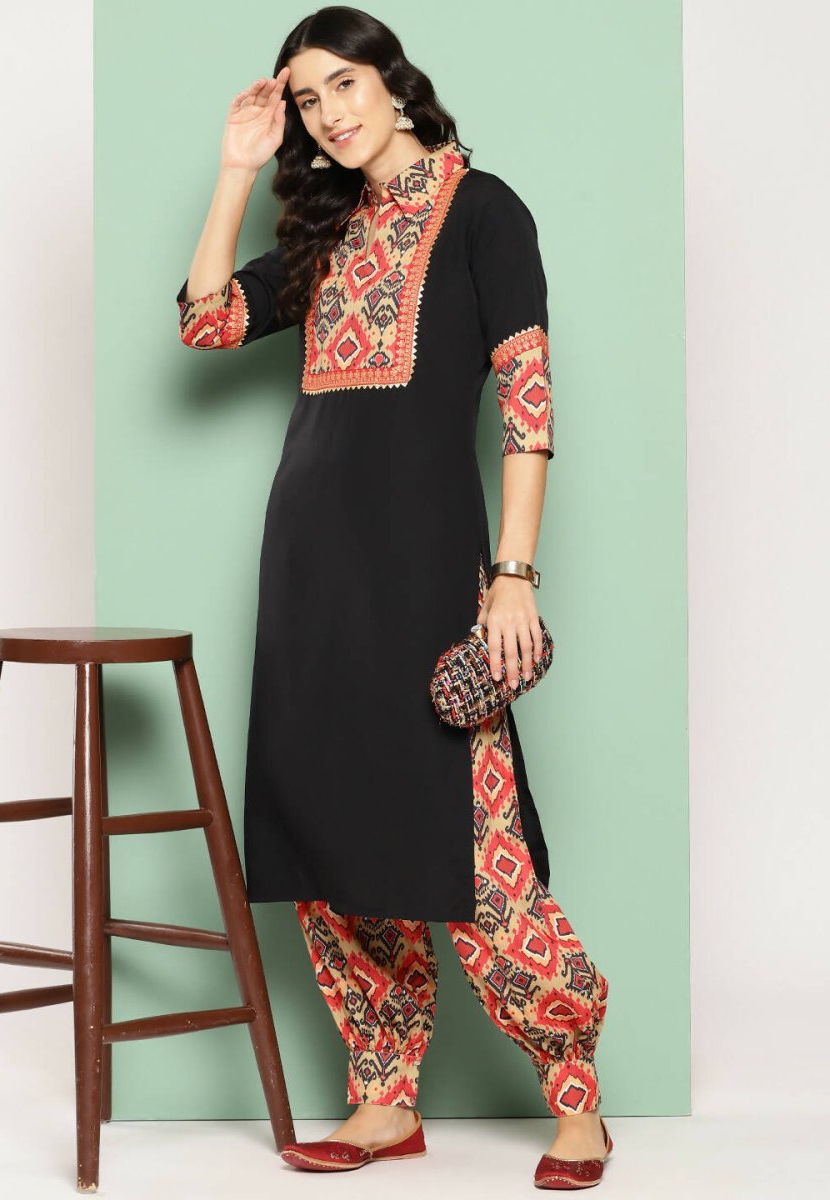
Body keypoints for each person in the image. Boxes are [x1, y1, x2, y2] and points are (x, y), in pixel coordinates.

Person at [176, 6, 612, 1190]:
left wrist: (512, 578)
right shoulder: (327, 233)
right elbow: (207, 322)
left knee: (480, 851)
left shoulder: (484, 210)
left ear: (392, 80)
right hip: (309, 577)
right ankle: (383, 1099)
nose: (330, 114)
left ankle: (575, 1095)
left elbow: (528, 398)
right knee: (330, 840)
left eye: (343, 84)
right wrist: (237, 169)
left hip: (426, 579)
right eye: (306, 100)